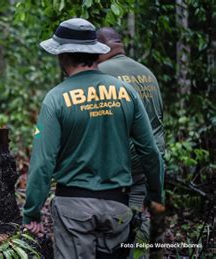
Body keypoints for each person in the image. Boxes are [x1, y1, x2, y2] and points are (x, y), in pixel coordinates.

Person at [22, 18, 165, 258]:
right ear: (94, 54)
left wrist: (31, 212)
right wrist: (155, 195)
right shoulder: (125, 91)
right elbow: (149, 151)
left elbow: (42, 164)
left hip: (73, 211)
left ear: (63, 56)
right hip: (118, 207)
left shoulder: (56, 99)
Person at [97, 27, 166, 257]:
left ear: (100, 49)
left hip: (119, 165)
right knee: (140, 218)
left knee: (113, 228)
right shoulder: (147, 73)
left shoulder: (100, 73)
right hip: (150, 161)